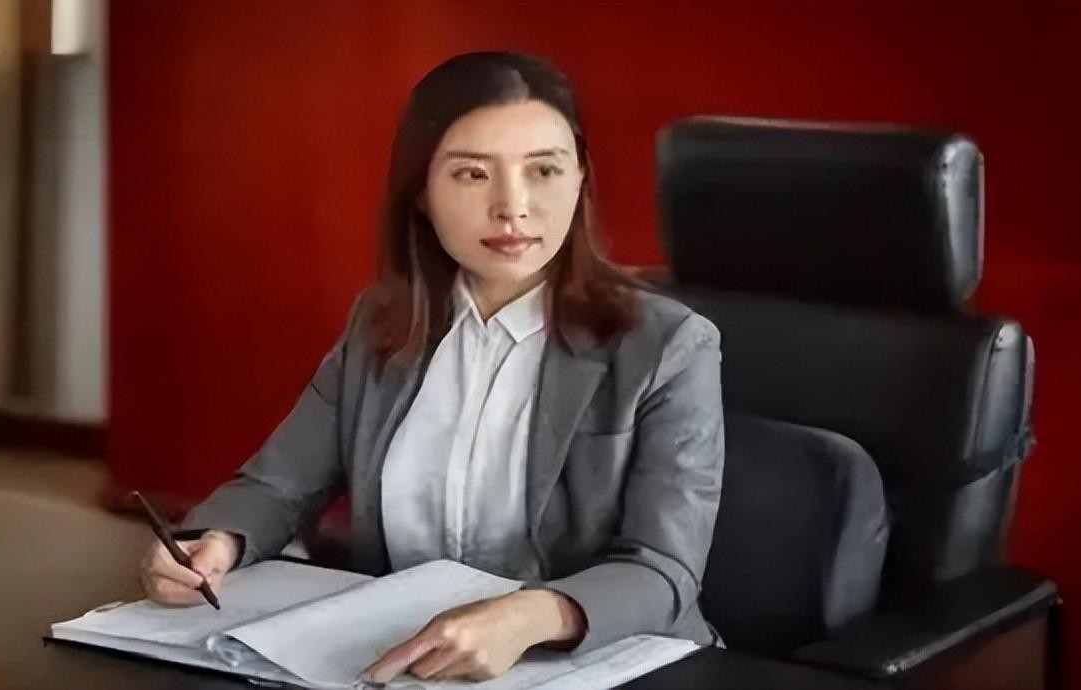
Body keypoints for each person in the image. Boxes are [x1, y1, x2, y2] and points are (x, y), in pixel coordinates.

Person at [138, 51, 724, 684]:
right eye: (473, 174)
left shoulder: (668, 346)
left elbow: (663, 567)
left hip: (610, 666)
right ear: (421, 192)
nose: (513, 206)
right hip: (410, 663)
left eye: (544, 169)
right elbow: (279, 484)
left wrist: (529, 617)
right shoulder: (381, 324)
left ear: (580, 178)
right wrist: (217, 540)